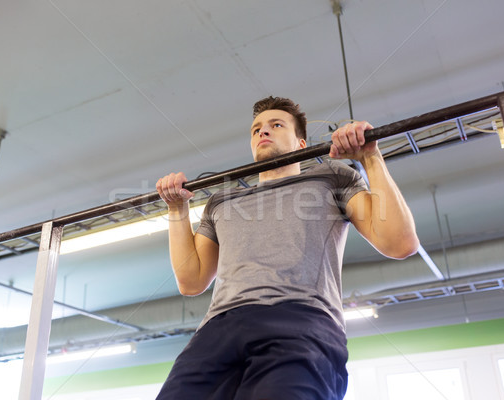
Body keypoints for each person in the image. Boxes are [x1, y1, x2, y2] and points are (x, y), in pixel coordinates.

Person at [155, 96, 419, 400]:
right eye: (256, 129)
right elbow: (191, 280)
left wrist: (370, 158)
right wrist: (177, 210)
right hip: (218, 328)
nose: (262, 132)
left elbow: (399, 242)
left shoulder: (331, 177)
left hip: (299, 320)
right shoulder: (222, 202)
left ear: (301, 143)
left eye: (275, 125)